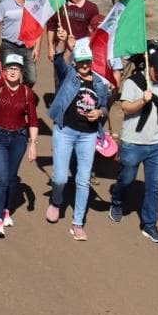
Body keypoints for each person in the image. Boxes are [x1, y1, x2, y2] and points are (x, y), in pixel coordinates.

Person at [109, 51, 158, 243]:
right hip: (133, 143)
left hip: (157, 145)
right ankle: (117, 202)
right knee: (126, 180)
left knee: (154, 187)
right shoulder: (133, 83)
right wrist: (143, 101)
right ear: (149, 67)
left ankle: (150, 225)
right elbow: (125, 108)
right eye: (157, 71)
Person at [45, 40, 110, 240]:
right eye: (81, 61)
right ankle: (56, 201)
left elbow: (105, 107)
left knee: (83, 180)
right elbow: (58, 61)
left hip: (87, 136)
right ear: (75, 62)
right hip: (65, 131)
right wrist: (63, 44)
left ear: (91, 61)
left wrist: (99, 112)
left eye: (87, 61)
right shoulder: (69, 75)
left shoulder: (99, 83)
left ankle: (78, 223)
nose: (84, 65)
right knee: (60, 178)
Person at [0, 54, 39, 237]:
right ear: (5, 70)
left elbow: (33, 120)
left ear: (21, 71)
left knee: (12, 177)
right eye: (9, 68)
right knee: (1, 179)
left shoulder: (27, 93)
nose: (13, 71)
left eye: (16, 68)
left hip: (19, 139)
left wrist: (33, 144)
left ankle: (7, 209)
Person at [0, 0, 38, 86]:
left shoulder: (33, 6)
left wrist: (37, 47)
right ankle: (8, 93)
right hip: (9, 45)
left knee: (31, 78)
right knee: (8, 76)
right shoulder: (5, 5)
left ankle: (21, 92)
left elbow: (38, 27)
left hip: (27, 46)